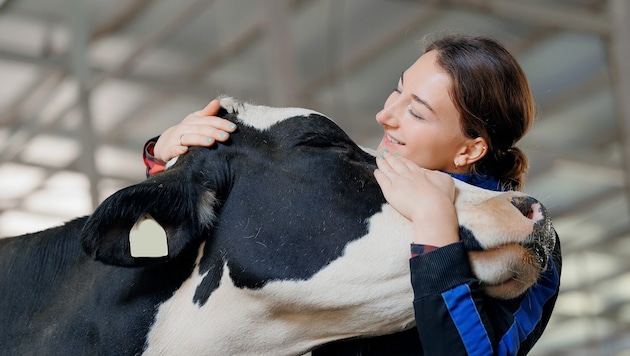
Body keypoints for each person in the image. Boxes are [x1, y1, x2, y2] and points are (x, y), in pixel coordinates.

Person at [142, 33, 561, 355]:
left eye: (416, 111)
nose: (385, 115)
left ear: (470, 149)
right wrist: (167, 157)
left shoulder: (522, 230)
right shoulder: (365, 184)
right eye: (398, 90)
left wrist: (435, 224)